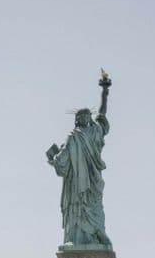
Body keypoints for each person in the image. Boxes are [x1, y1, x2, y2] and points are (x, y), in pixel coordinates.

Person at [47, 74, 113, 247]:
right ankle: (74, 238)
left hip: (91, 180)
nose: (83, 118)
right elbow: (63, 160)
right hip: (76, 182)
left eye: (86, 116)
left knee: (92, 204)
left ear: (89, 119)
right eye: (81, 116)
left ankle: (97, 235)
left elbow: (102, 113)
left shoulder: (94, 132)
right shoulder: (73, 137)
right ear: (77, 120)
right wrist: (54, 159)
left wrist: (105, 92)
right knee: (77, 206)